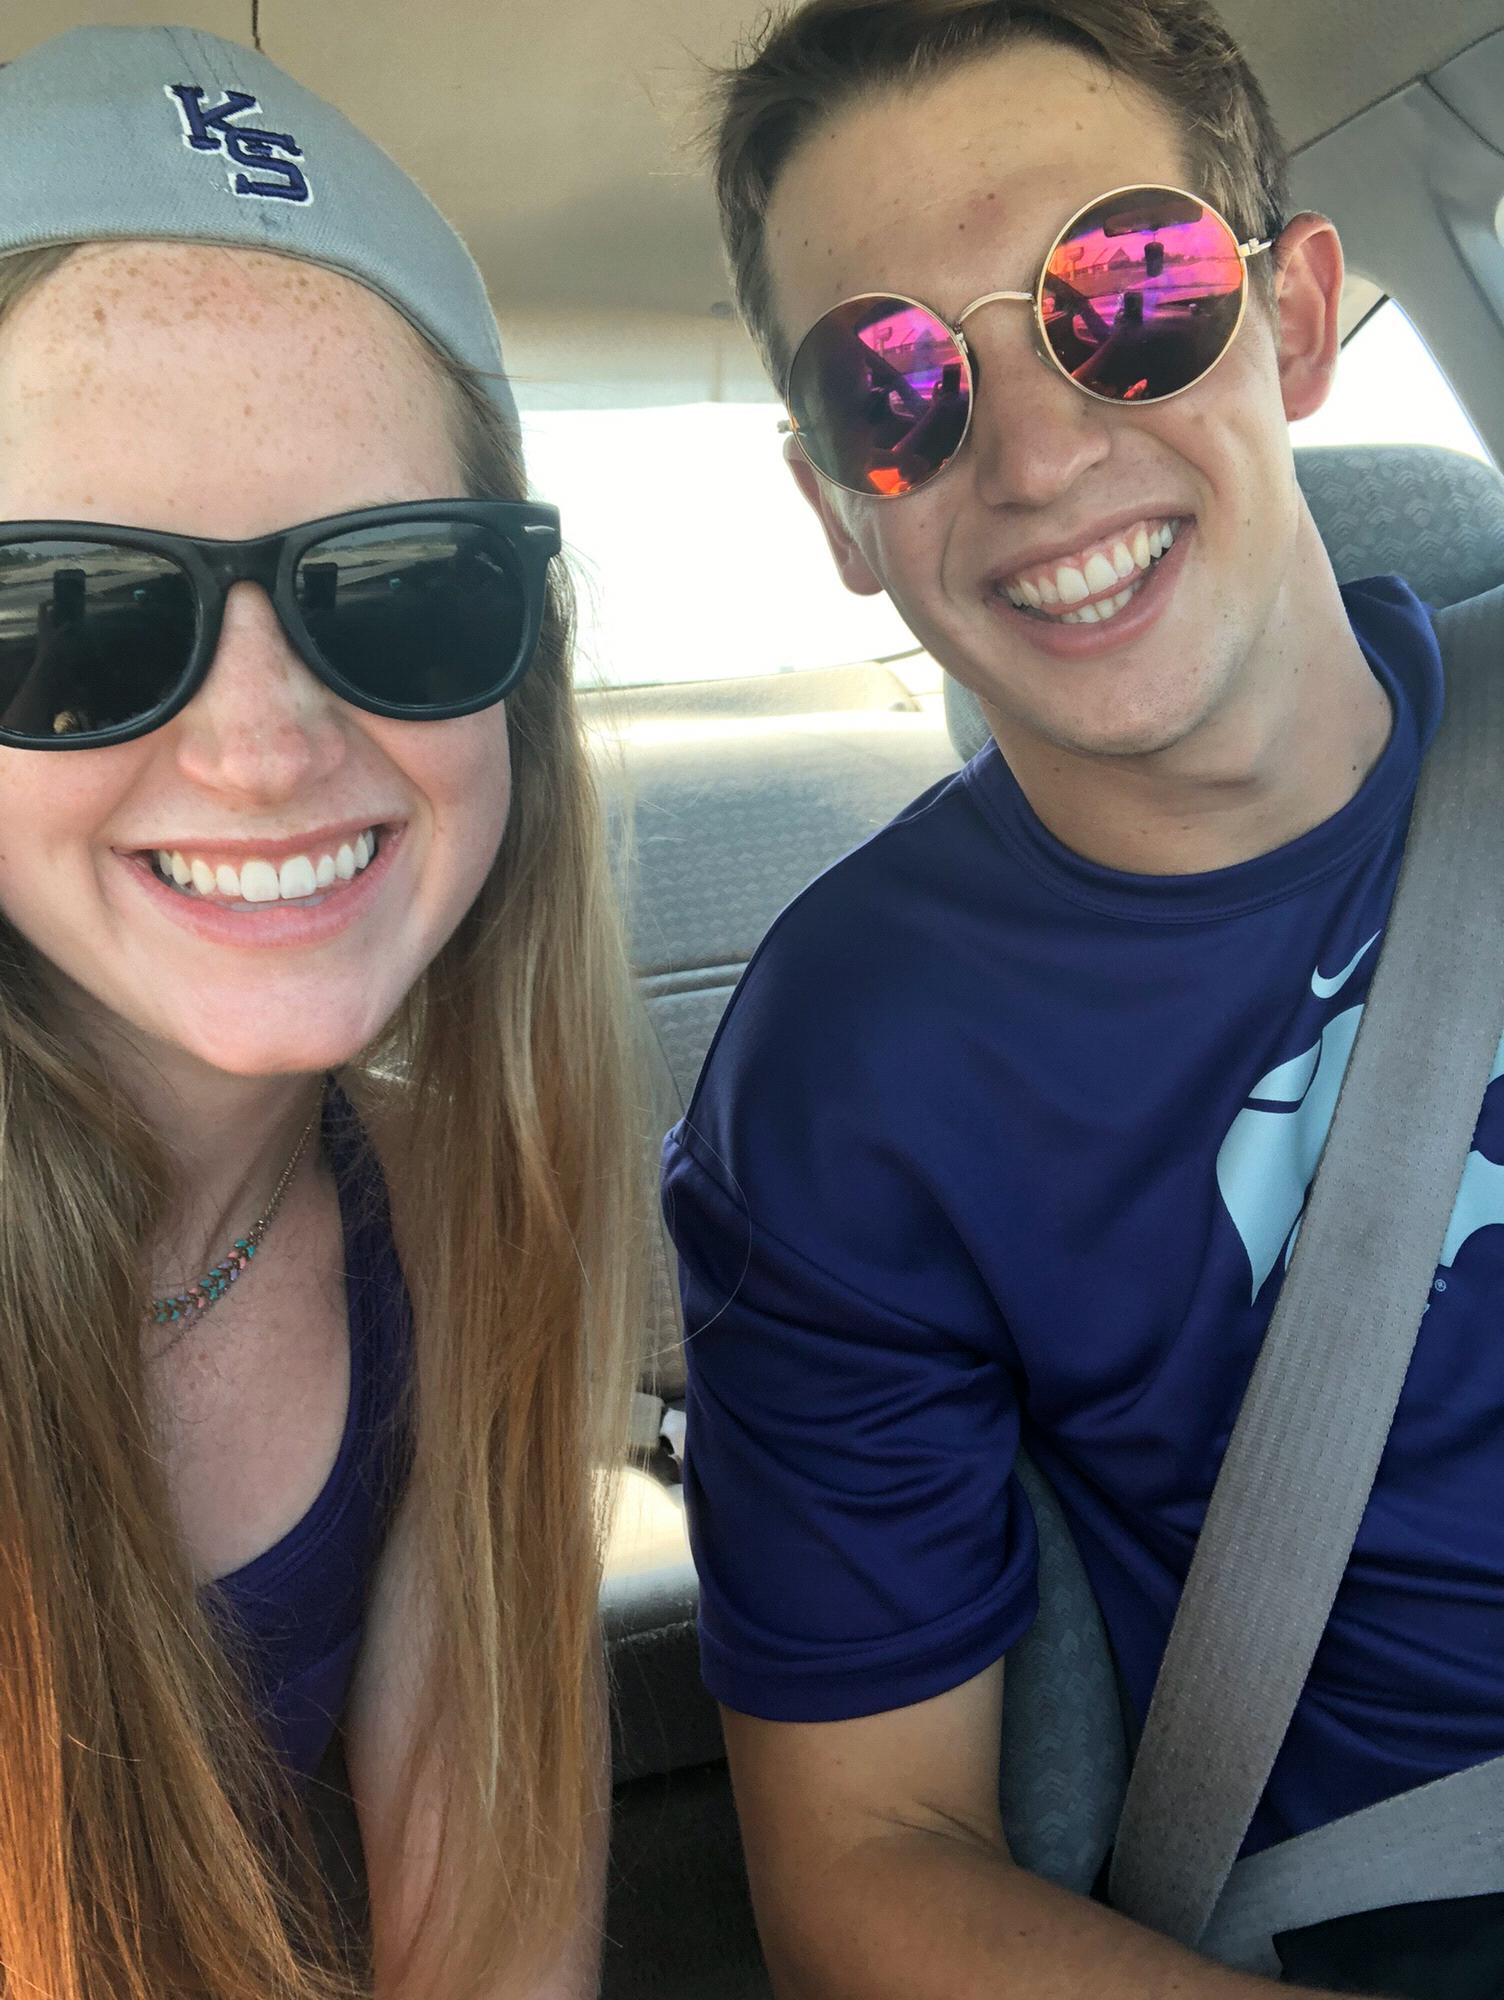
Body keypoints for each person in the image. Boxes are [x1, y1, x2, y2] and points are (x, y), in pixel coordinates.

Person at [662, 2, 1504, 1995]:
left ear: (1294, 318)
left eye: (1128, 298)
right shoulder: (848, 1072)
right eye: (892, 387)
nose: (1036, 458)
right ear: (836, 504)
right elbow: (866, 1862)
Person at [0, 25, 646, 2000]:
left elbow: (493, 1921)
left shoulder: (454, 1202)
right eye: (69, 613)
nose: (267, 745)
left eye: (401, 587)